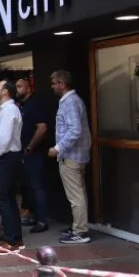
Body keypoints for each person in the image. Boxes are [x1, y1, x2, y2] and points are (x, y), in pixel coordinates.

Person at [49, 70, 92, 244]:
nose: (51, 86)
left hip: (72, 156)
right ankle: (78, 227)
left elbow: (75, 130)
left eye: (53, 83)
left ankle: (80, 231)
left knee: (76, 196)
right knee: (77, 194)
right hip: (74, 155)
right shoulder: (70, 101)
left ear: (62, 83)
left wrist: (58, 148)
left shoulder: (71, 102)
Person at [0, 80, 24, 254]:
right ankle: (15, 237)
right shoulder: (5, 109)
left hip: (6, 158)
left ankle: (12, 240)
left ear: (6, 91)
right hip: (7, 157)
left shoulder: (9, 110)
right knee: (8, 198)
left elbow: (4, 137)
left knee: (3, 199)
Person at [16, 78, 50, 233]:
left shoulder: (34, 104)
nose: (17, 89)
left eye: (20, 86)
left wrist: (30, 147)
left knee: (37, 187)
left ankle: (42, 221)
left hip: (35, 153)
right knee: (29, 187)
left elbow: (42, 128)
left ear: (29, 89)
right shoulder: (22, 106)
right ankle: (34, 216)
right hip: (24, 153)